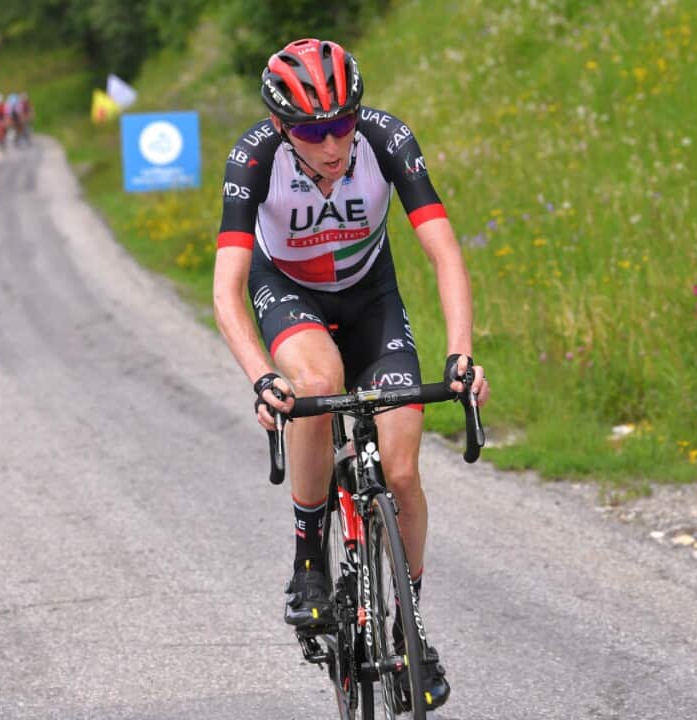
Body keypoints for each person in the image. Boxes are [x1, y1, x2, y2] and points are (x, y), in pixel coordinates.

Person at [212, 38, 489, 711]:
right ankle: (309, 555)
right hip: (292, 295)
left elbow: (444, 251)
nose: (333, 144)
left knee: (400, 472)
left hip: (372, 300)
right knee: (316, 382)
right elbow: (227, 287)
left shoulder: (387, 138)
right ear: (283, 128)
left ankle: (410, 625)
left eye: (343, 124)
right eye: (313, 131)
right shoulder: (253, 161)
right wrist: (259, 376)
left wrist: (461, 353)